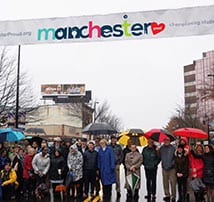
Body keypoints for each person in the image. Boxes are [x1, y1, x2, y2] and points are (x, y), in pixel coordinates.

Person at [159, 137, 176, 202]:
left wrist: (172, 164)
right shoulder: (161, 148)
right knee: (165, 182)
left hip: (172, 168)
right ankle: (167, 195)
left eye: (167, 140)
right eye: (165, 140)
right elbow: (159, 157)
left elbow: (175, 158)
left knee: (173, 182)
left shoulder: (173, 148)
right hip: (164, 168)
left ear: (170, 141)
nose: (166, 141)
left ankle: (173, 196)